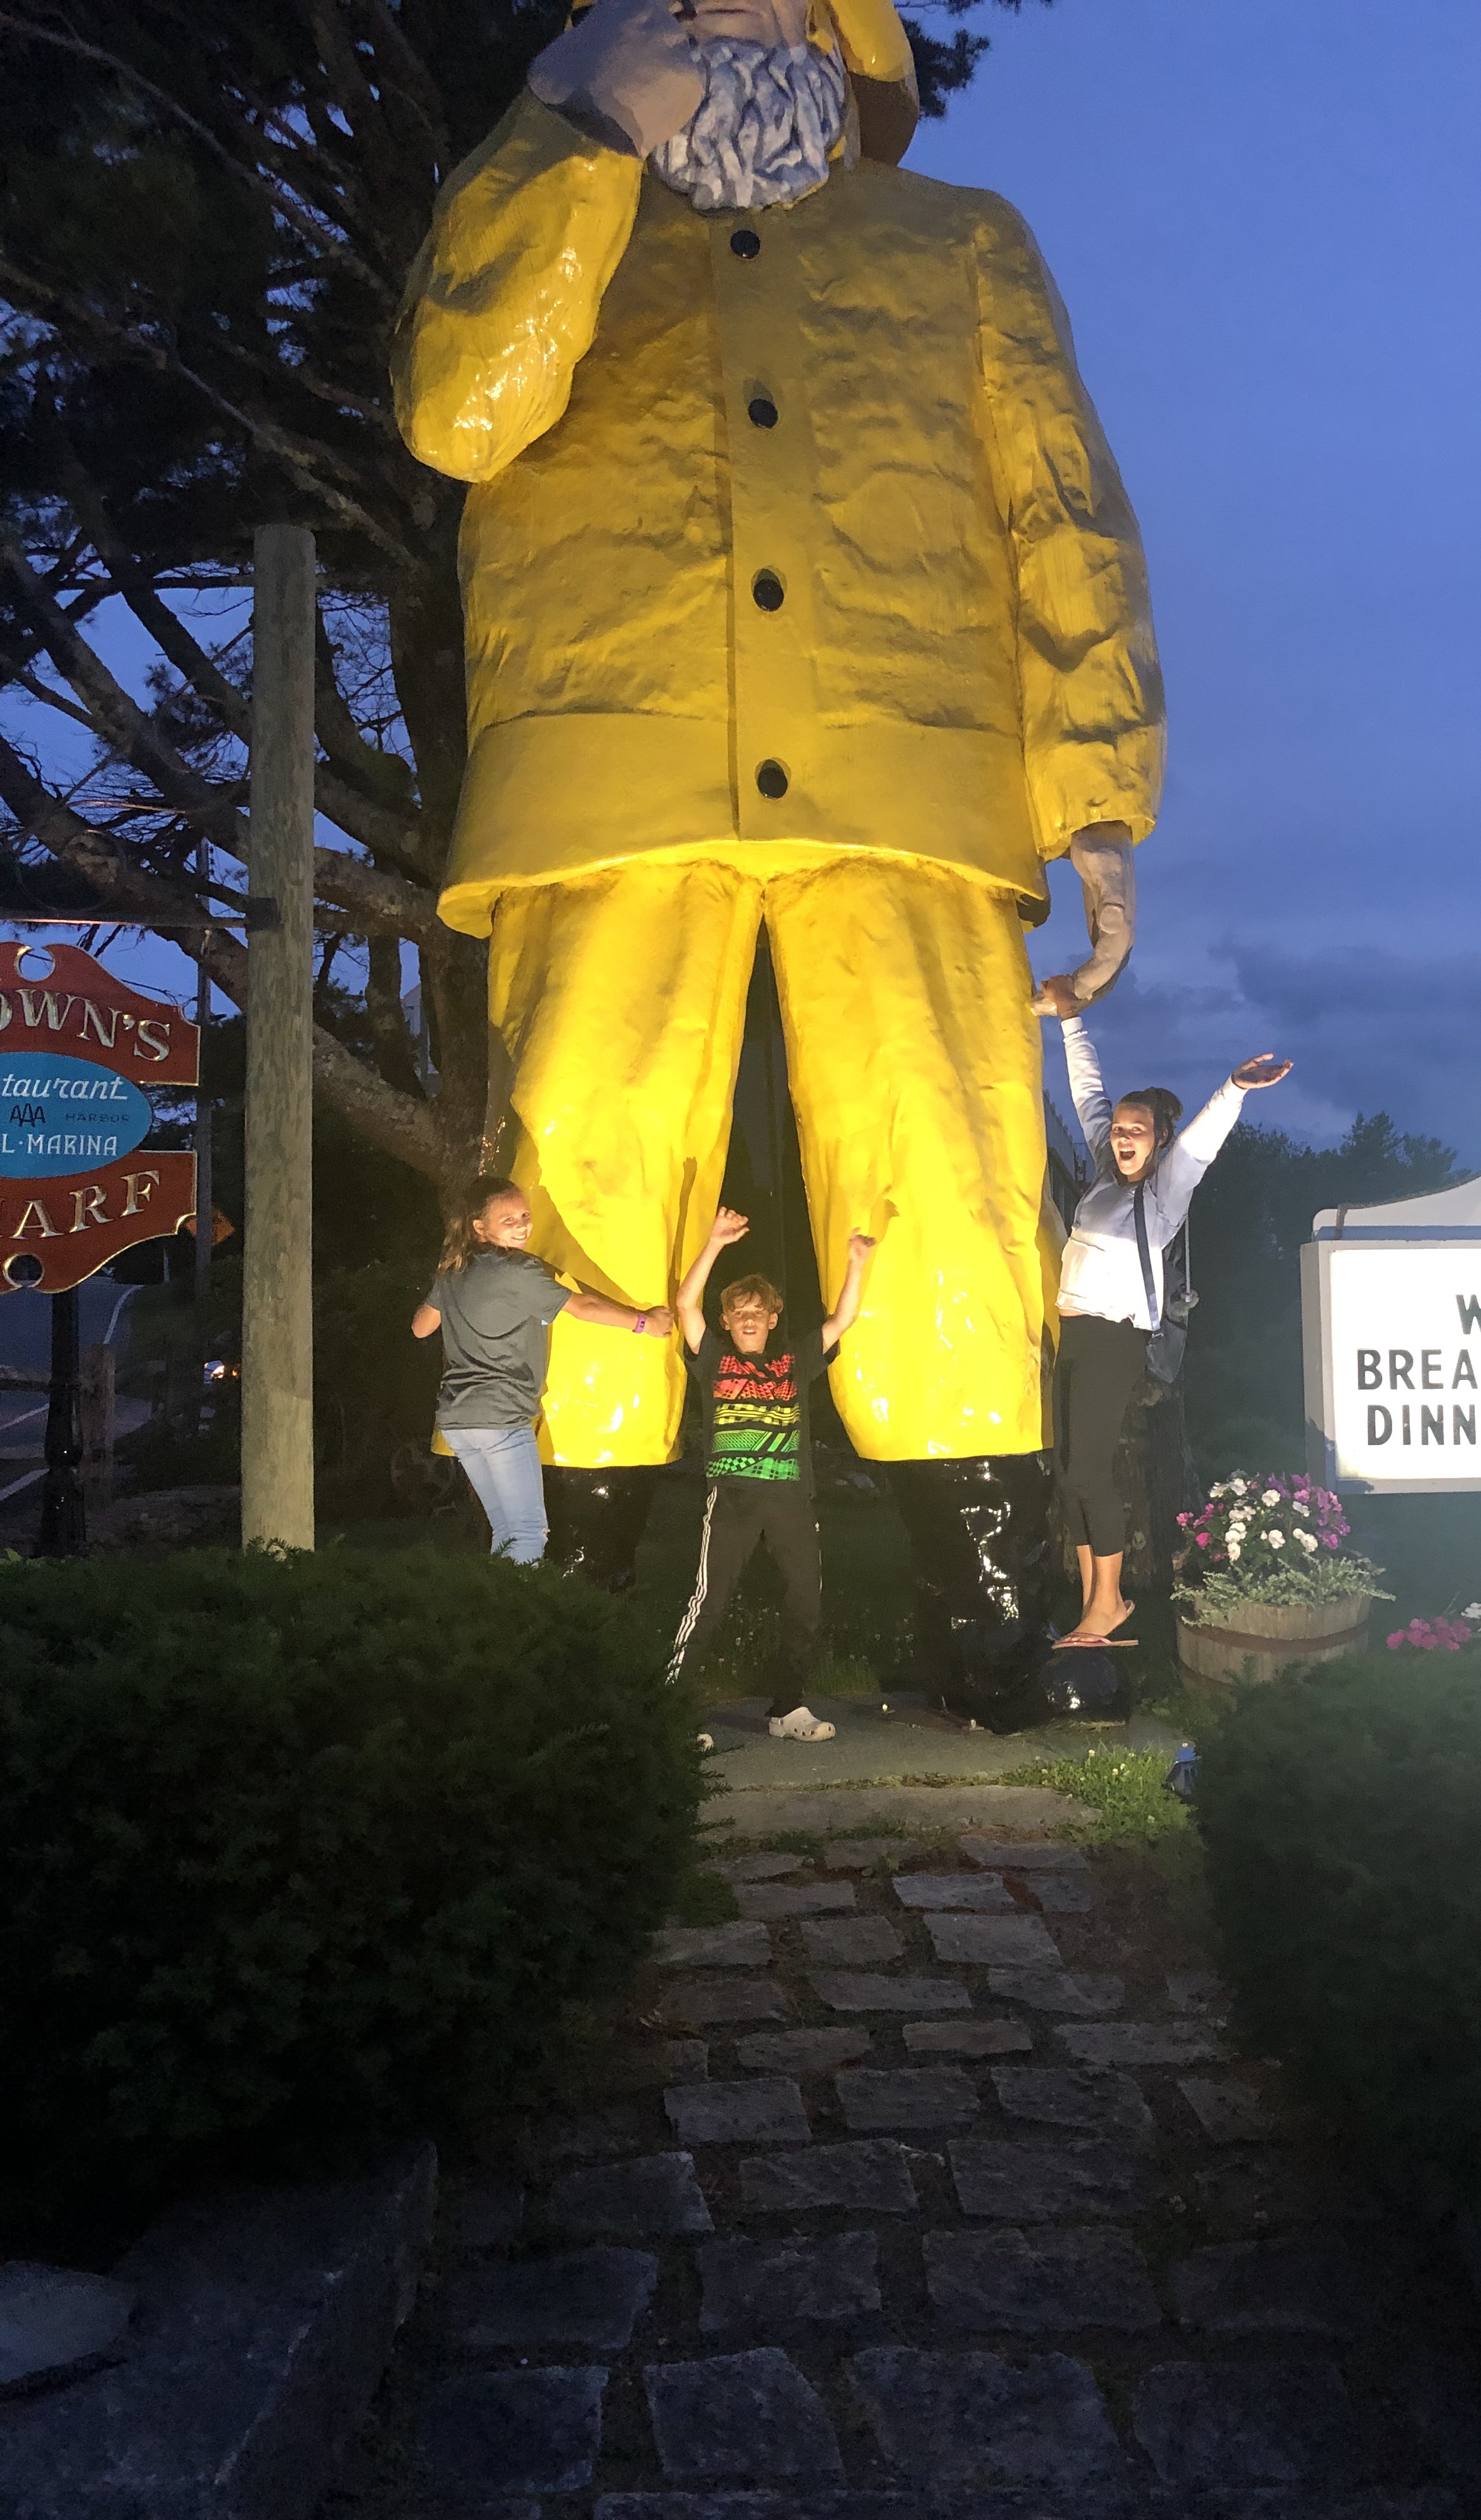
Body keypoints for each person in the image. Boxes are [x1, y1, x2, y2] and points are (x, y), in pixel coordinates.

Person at [391, 0, 1162, 1726]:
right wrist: (577, 133)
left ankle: (992, 1612)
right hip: (606, 765)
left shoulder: (963, 241)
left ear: (843, 32)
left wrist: (1099, 797)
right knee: (583, 1164)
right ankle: (556, 1620)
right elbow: (457, 412)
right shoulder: (546, 192)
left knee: (949, 1176)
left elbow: (1065, 514)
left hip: (920, 770)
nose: (728, 7)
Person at [1040, 979, 1292, 1645]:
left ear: (1157, 1141)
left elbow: (1201, 1145)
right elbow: (1088, 1094)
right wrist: (1070, 1021)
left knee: (1089, 1471)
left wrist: (1233, 1089)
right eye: (1121, 1130)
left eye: (1138, 1131)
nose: (1124, 1137)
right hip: (1075, 1334)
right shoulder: (1104, 1174)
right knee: (1070, 1473)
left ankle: (1110, 1602)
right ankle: (1095, 1605)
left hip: (1115, 1338)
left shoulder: (1161, 1196)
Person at [665, 1206, 874, 1740]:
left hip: (790, 1500)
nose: (749, 1320)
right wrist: (715, 1243)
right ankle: (667, 1712)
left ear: (773, 1320)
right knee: (709, 1602)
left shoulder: (793, 1362)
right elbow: (685, 1304)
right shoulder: (714, 1359)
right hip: (734, 1499)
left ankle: (787, 1709)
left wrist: (856, 1264)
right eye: (739, 1313)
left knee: (806, 1600)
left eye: (758, 1312)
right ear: (727, 1322)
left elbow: (841, 1321)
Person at [412, 1177, 673, 1563]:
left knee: (505, 1530)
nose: (522, 1227)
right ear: (479, 1227)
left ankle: (500, 1596)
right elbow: (583, 1307)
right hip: (501, 1417)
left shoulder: (453, 1271)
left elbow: (421, 1328)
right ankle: (524, 1600)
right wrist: (645, 1323)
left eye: (524, 1216)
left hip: (459, 1420)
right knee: (529, 1532)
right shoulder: (518, 1270)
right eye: (509, 1221)